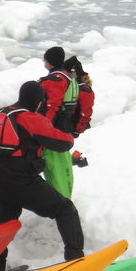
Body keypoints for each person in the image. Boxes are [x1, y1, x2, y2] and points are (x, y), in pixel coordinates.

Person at [0, 81, 84, 271]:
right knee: (65, 209)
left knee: (1, 229)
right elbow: (63, 143)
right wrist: (68, 135)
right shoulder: (29, 118)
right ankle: (76, 261)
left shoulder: (1, 113)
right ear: (38, 102)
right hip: (22, 181)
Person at [39, 46, 78, 198]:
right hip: (65, 126)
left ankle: (60, 199)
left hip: (55, 128)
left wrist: (44, 127)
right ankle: (64, 196)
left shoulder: (55, 80)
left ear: (50, 61)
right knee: (63, 165)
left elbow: (52, 106)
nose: (44, 61)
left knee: (54, 166)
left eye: (45, 59)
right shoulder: (70, 78)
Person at [63, 56, 95, 135]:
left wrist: (78, 130)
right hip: (67, 124)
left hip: (76, 128)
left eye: (66, 72)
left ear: (74, 73)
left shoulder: (84, 90)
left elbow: (86, 113)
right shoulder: (71, 85)